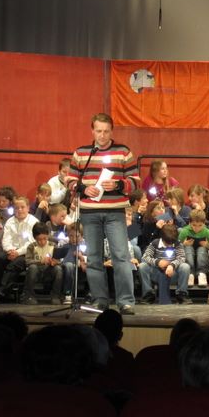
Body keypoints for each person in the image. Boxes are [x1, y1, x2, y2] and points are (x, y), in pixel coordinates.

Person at [66, 113, 140, 314]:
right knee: (93, 258)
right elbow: (69, 180)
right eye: (99, 131)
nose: (102, 135)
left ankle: (126, 301)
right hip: (89, 212)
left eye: (106, 131)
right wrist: (83, 188)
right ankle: (100, 300)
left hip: (115, 211)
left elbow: (135, 181)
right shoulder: (81, 153)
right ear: (92, 131)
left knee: (121, 256)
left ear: (111, 131)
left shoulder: (124, 152)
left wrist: (118, 184)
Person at [0, 196, 39, 303]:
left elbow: (32, 243)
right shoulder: (10, 221)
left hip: (26, 253)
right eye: (16, 208)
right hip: (11, 251)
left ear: (28, 208)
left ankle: (2, 292)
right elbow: (6, 239)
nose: (19, 210)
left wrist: (17, 252)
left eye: (22, 207)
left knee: (15, 264)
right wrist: (10, 250)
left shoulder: (34, 222)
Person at [139, 224, 191, 305]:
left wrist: (172, 265)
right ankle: (148, 294)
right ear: (162, 238)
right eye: (167, 243)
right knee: (143, 266)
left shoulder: (178, 244)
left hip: (172, 274)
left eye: (172, 242)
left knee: (185, 267)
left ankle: (181, 294)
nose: (170, 245)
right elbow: (145, 257)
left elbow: (181, 258)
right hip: (157, 273)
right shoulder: (155, 243)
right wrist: (157, 262)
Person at [22, 222, 64, 305]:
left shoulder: (53, 245)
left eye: (45, 238)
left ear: (48, 236)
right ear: (35, 238)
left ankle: (55, 295)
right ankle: (29, 295)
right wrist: (40, 261)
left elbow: (59, 261)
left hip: (49, 271)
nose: (42, 241)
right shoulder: (32, 246)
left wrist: (54, 262)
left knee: (58, 269)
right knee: (32, 268)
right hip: (36, 272)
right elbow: (27, 261)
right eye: (39, 239)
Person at [178, 209, 209, 287]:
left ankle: (202, 274)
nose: (197, 228)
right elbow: (177, 246)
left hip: (202, 252)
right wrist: (184, 244)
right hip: (188, 251)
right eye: (194, 225)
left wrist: (207, 245)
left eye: (200, 225)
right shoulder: (185, 231)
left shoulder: (207, 232)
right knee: (188, 249)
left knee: (201, 250)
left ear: (204, 224)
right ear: (189, 223)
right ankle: (190, 274)